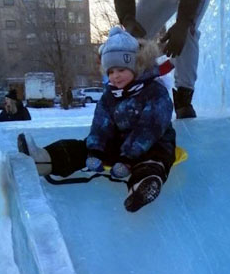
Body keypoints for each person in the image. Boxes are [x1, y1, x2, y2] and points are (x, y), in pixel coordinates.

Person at [18, 26, 176, 213]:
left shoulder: (154, 91)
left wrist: (127, 157)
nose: (115, 76)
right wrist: (95, 151)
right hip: (120, 143)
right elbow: (101, 124)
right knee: (81, 147)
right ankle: (43, 160)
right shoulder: (110, 95)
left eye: (121, 69)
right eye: (110, 72)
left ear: (136, 66)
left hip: (151, 143)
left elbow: (150, 127)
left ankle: (142, 187)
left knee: (155, 159)